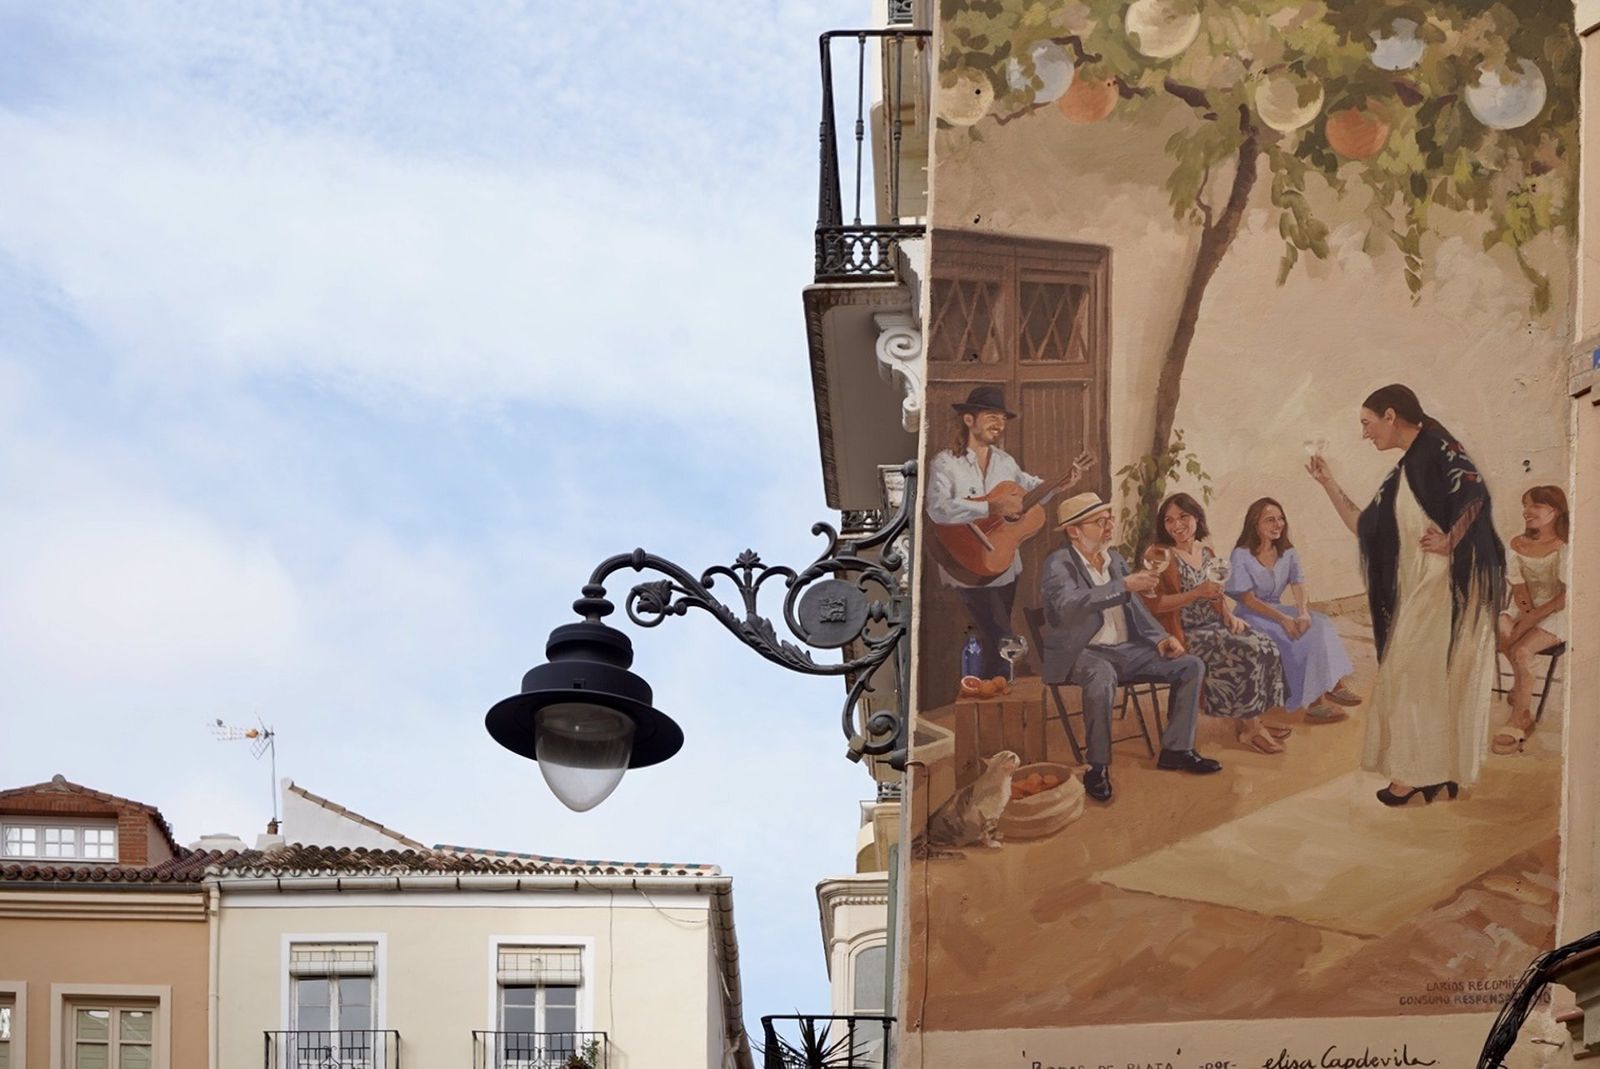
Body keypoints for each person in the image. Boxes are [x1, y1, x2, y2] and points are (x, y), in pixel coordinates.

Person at [1308, 384, 1504, 806]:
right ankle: (1434, 773)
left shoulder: (1437, 445)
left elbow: (1476, 494)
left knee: (1416, 675)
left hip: (1451, 587)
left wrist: (1452, 540)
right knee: (1419, 678)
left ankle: (1419, 774)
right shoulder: (1404, 470)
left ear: (1391, 415)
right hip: (1424, 587)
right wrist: (1328, 483)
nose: (1365, 434)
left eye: (1367, 423)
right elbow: (1365, 526)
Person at [1039, 491, 1223, 804]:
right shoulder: (1059, 564)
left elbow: (1137, 607)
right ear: (1074, 531)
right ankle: (1097, 767)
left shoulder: (1116, 559)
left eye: (1109, 518)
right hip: (1082, 652)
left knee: (1190, 665)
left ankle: (1177, 750)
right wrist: (1123, 586)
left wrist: (1160, 638)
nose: (1110, 525)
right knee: (1101, 675)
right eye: (1100, 521)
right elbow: (1068, 606)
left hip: (1126, 649)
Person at [925, 384, 1090, 678]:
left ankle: (993, 691)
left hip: (1003, 564)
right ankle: (1003, 685)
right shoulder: (945, 462)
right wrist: (989, 509)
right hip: (964, 560)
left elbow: (1028, 493)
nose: (999, 425)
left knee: (994, 637)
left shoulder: (1005, 462)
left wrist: (1060, 484)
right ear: (968, 420)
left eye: (1002, 419)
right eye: (991, 416)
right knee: (999, 633)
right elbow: (937, 508)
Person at [1141, 493, 1289, 755]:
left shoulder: (1206, 552)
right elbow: (1154, 605)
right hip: (1185, 631)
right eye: (1169, 520)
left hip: (1214, 624)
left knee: (1265, 644)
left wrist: (1229, 616)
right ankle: (1251, 729)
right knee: (1247, 650)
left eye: (1183, 517)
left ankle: (1253, 716)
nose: (1177, 525)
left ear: (1197, 517)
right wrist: (1195, 593)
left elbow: (1215, 593)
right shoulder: (1159, 554)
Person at [1227, 497, 1361, 724]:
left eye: (1280, 519)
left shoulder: (1287, 552)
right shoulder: (1241, 554)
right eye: (1270, 520)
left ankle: (1333, 683)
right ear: (1255, 524)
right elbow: (1248, 599)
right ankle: (1315, 703)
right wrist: (1284, 620)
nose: (1277, 524)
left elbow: (1298, 584)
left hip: (1279, 609)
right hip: (1252, 615)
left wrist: (1302, 612)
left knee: (1321, 623)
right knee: (1297, 637)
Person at [1492, 485, 1568, 755]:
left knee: (1522, 650)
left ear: (1555, 510)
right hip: (1524, 606)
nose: (1527, 511)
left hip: (1557, 611)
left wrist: (1530, 621)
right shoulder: (1517, 543)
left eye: (1535, 505)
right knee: (1501, 628)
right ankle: (1521, 685)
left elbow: (1564, 596)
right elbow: (1519, 587)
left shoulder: (1565, 545)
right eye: (1525, 505)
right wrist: (1524, 615)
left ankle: (1520, 717)